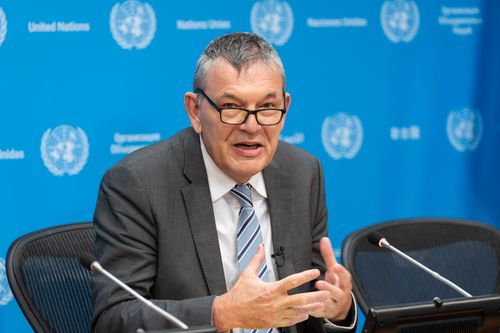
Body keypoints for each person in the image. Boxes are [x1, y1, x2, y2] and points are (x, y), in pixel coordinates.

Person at [92, 32, 357, 333]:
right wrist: (220, 314)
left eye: (267, 108)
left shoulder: (303, 172)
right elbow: (114, 319)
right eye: (232, 108)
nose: (252, 126)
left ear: (285, 108)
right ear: (195, 110)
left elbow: (315, 297)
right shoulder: (138, 183)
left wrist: (340, 309)